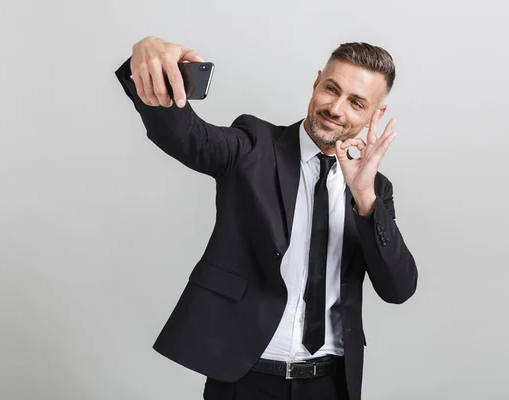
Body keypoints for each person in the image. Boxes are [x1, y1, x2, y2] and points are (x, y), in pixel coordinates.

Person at [114, 36, 418, 400]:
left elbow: (398, 289)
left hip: (330, 384)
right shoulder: (254, 145)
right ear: (316, 81)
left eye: (356, 103)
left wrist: (365, 198)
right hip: (245, 379)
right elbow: (185, 136)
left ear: (376, 115)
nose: (336, 108)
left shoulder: (375, 191)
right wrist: (146, 59)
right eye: (331, 89)